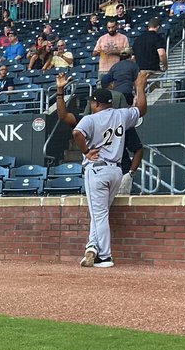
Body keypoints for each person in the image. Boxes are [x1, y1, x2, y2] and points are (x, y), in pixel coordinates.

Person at [55, 70, 148, 269]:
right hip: (116, 171)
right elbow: (141, 109)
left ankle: (104, 256)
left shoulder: (90, 119)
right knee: (101, 213)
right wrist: (139, 87)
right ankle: (92, 247)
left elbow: (76, 132)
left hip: (97, 169)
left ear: (96, 103)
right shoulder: (121, 115)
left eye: (92, 102)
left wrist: (86, 151)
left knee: (99, 215)